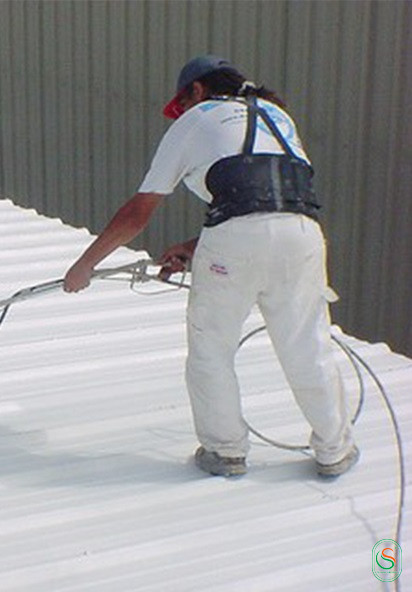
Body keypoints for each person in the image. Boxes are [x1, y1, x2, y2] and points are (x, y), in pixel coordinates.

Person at [63, 55, 358, 478]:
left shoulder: (196, 119)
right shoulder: (277, 117)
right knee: (307, 346)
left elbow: (139, 212)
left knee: (212, 349)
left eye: (181, 103)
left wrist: (84, 266)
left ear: (197, 91)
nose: (180, 112)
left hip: (233, 244)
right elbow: (269, 206)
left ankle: (225, 452)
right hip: (303, 237)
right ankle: (335, 450)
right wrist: (193, 248)